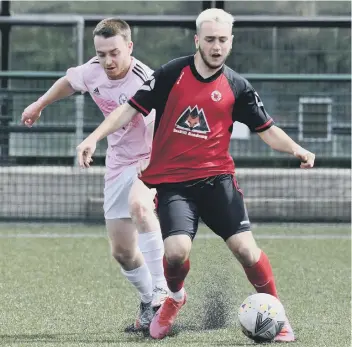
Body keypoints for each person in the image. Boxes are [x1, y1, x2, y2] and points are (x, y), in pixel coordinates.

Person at [75, 9, 316, 341]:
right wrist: (92, 138)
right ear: (197, 40)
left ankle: (278, 313)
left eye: (222, 40)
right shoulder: (171, 73)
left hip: (218, 181)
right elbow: (128, 108)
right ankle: (174, 298)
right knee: (175, 253)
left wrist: (297, 150)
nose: (216, 47)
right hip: (174, 184)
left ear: (230, 42)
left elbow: (267, 129)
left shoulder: (237, 86)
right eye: (210, 39)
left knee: (246, 250)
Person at [21, 18, 169, 332]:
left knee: (141, 207)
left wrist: (155, 159)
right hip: (118, 163)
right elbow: (69, 81)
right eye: (101, 53)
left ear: (129, 47)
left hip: (149, 158)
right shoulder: (93, 70)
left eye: (114, 52)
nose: (108, 61)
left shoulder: (146, 79)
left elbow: (161, 121)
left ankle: (162, 289)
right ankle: (148, 304)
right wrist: (40, 103)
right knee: (122, 252)